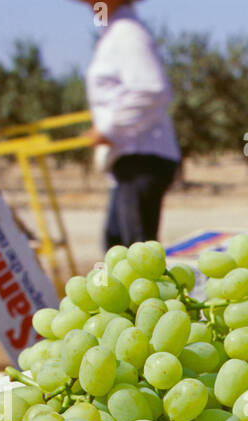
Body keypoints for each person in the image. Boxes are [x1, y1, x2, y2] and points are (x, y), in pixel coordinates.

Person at [78, 0, 181, 248]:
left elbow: (152, 89)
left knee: (135, 253)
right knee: (118, 246)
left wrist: (107, 128)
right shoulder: (115, 33)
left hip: (142, 158)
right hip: (131, 160)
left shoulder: (127, 34)